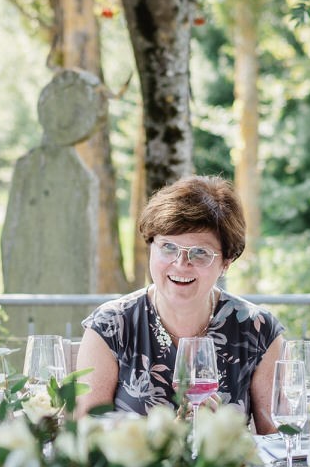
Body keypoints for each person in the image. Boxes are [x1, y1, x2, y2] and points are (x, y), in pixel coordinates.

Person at [76, 175, 285, 433]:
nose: (181, 263)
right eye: (168, 247)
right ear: (151, 246)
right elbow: (88, 437)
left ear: (226, 262)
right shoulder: (111, 325)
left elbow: (278, 440)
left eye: (200, 253)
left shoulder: (258, 329)